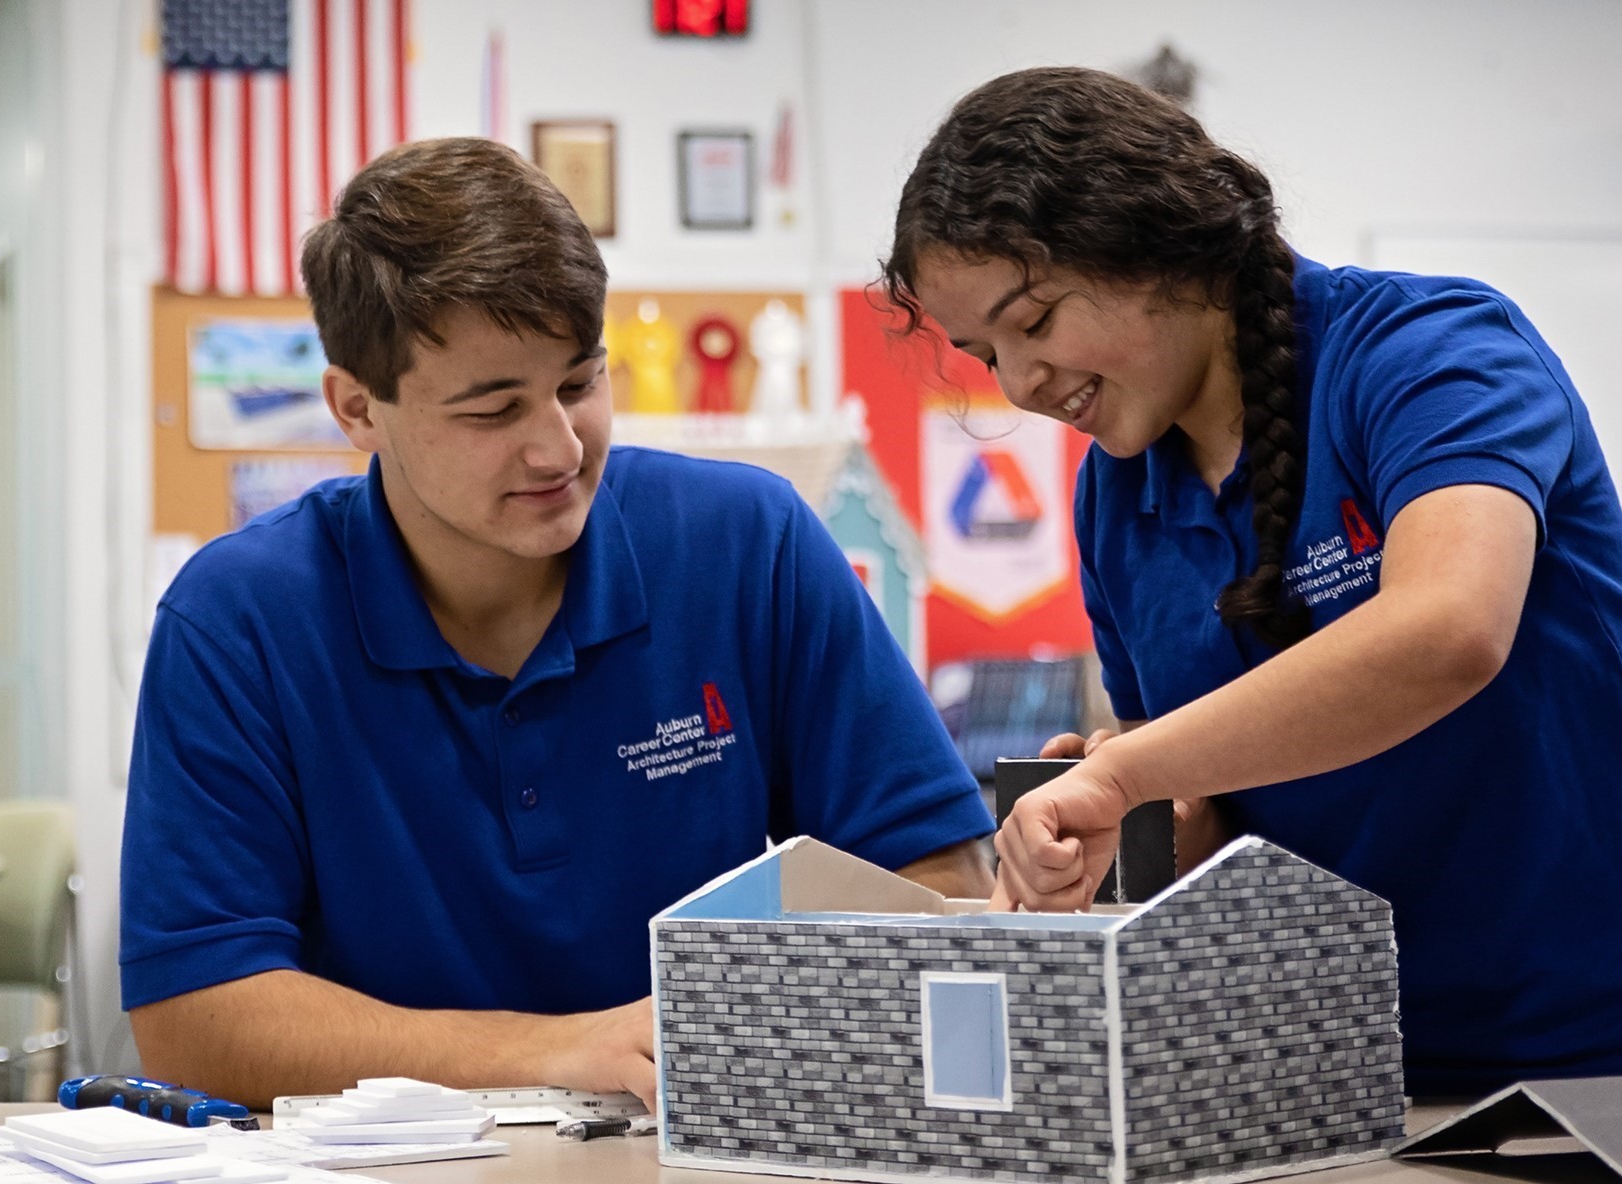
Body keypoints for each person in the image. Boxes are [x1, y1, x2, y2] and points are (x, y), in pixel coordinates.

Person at [882, 68, 1622, 1096]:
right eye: (985, 353)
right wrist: (1133, 821)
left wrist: (1127, 772)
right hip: (1326, 1063)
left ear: (1149, 238)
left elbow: (1446, 629)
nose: (1019, 385)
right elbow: (1213, 806)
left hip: (1603, 1044)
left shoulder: (1428, 354)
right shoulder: (1115, 497)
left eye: (1032, 322)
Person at [122, 137, 994, 1107]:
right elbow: (194, 1015)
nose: (556, 447)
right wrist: (559, 1049)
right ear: (356, 408)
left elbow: (939, 889)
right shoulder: (235, 616)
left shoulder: (751, 544)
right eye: (492, 410)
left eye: (579, 382)